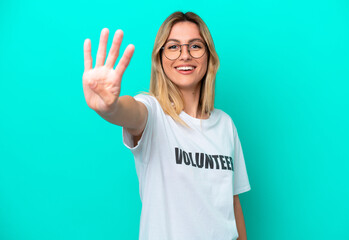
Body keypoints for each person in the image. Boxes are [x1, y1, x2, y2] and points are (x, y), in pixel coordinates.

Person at [82, 11, 251, 240]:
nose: (185, 55)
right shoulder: (152, 113)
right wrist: (108, 107)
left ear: (209, 57)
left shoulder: (225, 125)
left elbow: (232, 202)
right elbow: (129, 112)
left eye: (195, 46)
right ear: (159, 58)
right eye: (173, 47)